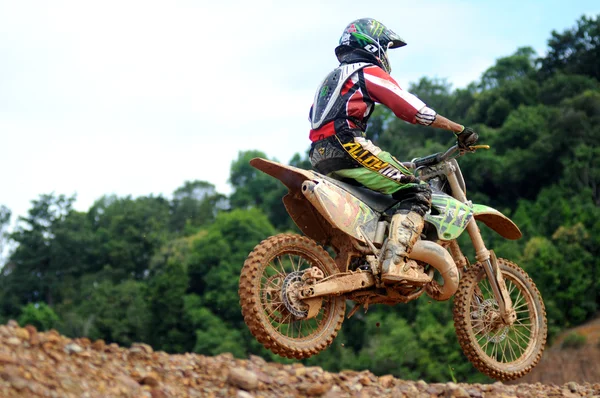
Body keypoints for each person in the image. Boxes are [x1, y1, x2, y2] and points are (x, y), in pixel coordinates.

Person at [308, 18, 478, 285]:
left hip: (319, 155)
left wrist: (395, 163)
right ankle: (395, 261)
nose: (386, 55)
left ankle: (369, 254)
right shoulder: (364, 72)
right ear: (373, 46)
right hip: (348, 146)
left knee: (386, 187)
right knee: (418, 191)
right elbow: (412, 109)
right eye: (385, 48)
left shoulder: (329, 79)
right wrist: (459, 129)